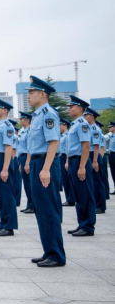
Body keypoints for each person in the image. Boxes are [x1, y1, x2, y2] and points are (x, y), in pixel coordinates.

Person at [25, 76, 66, 267]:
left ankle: (56, 255)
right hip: (37, 163)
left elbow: (53, 142)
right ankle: (49, 250)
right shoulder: (38, 115)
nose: (28, 96)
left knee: (48, 209)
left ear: (43, 94)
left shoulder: (49, 114)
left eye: (32, 92)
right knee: (41, 210)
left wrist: (46, 169)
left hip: (45, 163)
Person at [65, 95, 96, 237]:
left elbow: (86, 145)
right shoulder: (75, 125)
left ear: (80, 109)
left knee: (85, 194)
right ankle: (81, 223)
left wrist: (82, 166)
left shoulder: (82, 124)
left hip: (80, 161)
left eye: (71, 107)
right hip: (73, 160)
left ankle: (88, 226)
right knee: (78, 194)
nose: (69, 109)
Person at [0, 98, 18, 237]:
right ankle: (3, 223)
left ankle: (10, 225)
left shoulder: (7, 126)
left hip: (2, 159)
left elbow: (8, 148)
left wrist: (5, 168)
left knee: (6, 194)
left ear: (4, 110)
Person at [85, 108, 106, 213]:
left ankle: (100, 205)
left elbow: (96, 146)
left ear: (92, 116)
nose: (84, 117)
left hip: (94, 155)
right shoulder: (89, 128)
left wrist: (94, 161)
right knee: (92, 181)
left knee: (98, 181)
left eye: (86, 115)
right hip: (90, 154)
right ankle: (95, 203)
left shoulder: (95, 129)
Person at [18, 112, 34, 214]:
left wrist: (27, 163)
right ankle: (29, 204)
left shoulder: (29, 132)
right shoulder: (23, 132)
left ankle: (33, 205)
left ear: (27, 120)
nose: (20, 120)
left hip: (27, 158)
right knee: (26, 184)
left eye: (22, 119)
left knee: (30, 183)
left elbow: (29, 149)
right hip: (22, 158)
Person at [59, 118, 75, 207]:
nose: (59, 127)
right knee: (65, 180)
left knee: (68, 179)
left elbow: (68, 149)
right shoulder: (62, 136)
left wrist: (67, 162)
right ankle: (69, 198)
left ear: (65, 125)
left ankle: (71, 199)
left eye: (60, 125)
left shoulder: (67, 135)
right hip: (62, 157)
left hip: (66, 157)